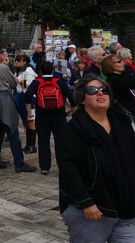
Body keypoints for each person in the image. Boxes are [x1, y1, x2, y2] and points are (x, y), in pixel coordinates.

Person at [58, 75, 135, 241]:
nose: (100, 93)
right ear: (82, 99)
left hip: (126, 209)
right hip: (93, 212)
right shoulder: (73, 129)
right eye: (92, 90)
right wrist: (85, 202)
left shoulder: (122, 121)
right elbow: (68, 168)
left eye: (104, 89)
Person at [0, 45, 37, 172]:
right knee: (12, 131)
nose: (4, 56)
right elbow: (12, 83)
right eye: (2, 54)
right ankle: (19, 163)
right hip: (2, 100)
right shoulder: (3, 68)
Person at [24, 61, 74, 175]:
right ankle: (63, 166)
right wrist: (72, 110)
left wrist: (28, 111)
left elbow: (27, 95)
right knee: (61, 141)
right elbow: (71, 95)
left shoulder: (37, 82)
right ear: (53, 70)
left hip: (42, 115)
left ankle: (45, 167)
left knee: (43, 141)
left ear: (40, 71)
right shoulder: (59, 82)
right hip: (59, 114)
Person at [13, 54, 38, 154]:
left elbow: (30, 84)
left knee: (30, 120)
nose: (17, 62)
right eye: (16, 60)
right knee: (26, 120)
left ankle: (32, 145)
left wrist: (19, 80)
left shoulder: (29, 70)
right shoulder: (18, 70)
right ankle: (28, 145)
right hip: (21, 96)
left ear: (25, 62)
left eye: (19, 60)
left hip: (29, 98)